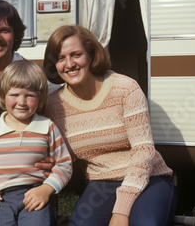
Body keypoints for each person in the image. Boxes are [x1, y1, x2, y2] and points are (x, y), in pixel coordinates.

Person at [43, 25, 177, 226]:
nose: (69, 64)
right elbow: (61, 155)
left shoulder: (125, 88)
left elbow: (144, 151)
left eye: (76, 54)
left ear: (90, 54)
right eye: (61, 58)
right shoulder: (54, 105)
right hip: (102, 183)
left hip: (149, 176)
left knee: (146, 223)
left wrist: (121, 211)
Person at [0, 60, 73, 226]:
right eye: (15, 95)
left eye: (29, 95)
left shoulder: (47, 127)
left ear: (40, 98)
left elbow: (64, 164)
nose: (22, 102)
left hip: (35, 193)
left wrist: (46, 190)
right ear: (3, 95)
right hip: (0, 198)